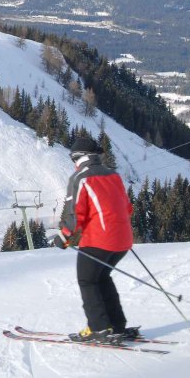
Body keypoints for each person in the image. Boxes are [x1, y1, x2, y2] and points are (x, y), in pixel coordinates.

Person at [54, 137, 137, 343]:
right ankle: (117, 326)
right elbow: (127, 207)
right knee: (102, 278)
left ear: (77, 157)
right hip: (123, 240)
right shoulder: (114, 175)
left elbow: (75, 214)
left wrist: (64, 236)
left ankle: (98, 328)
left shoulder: (80, 177)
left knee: (88, 280)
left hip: (99, 240)